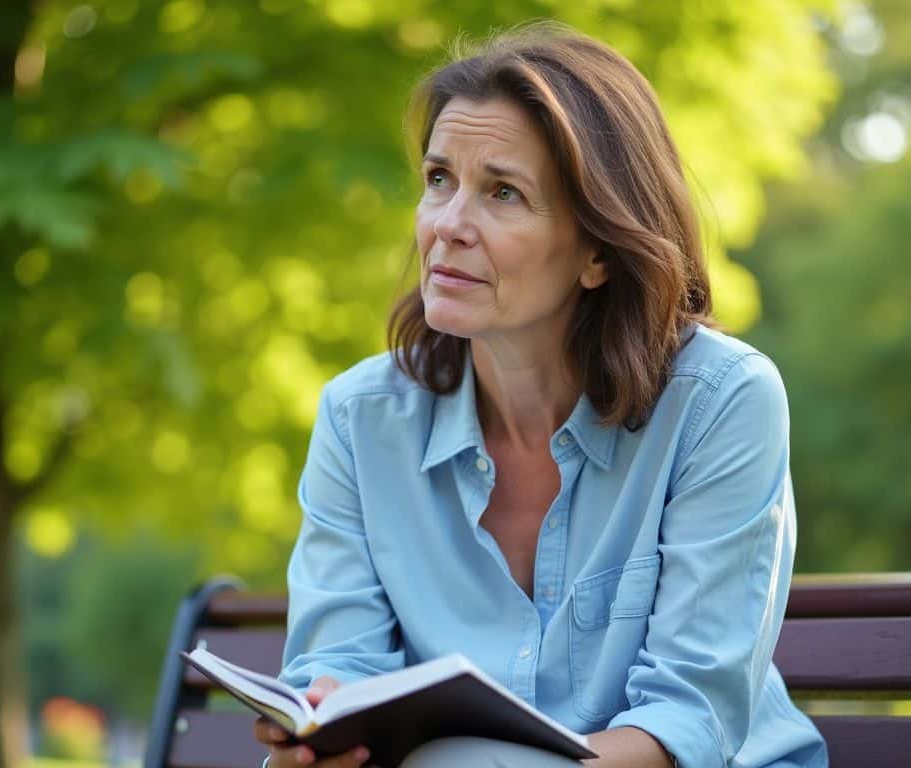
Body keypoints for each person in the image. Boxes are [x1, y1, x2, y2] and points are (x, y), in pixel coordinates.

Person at [254, 22, 828, 768]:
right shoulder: (359, 420)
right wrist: (318, 734)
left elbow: (687, 722)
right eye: (438, 180)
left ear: (598, 249)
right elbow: (340, 671)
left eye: (503, 192)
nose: (448, 226)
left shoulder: (722, 403)